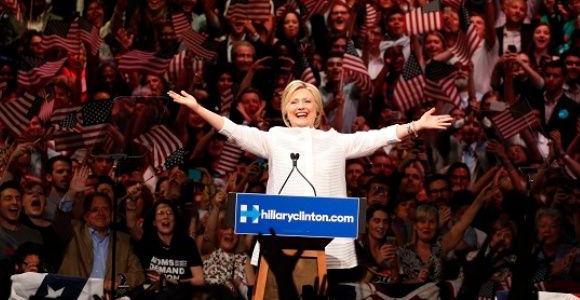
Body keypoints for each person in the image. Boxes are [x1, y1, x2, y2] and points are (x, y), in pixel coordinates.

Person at [168, 80, 452, 286]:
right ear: (285, 110)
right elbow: (234, 130)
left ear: (318, 111)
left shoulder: (335, 141)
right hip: (278, 238)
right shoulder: (274, 137)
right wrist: (197, 107)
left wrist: (415, 126)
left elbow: (377, 137)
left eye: (307, 102)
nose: (300, 106)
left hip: (323, 241)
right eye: (294, 101)